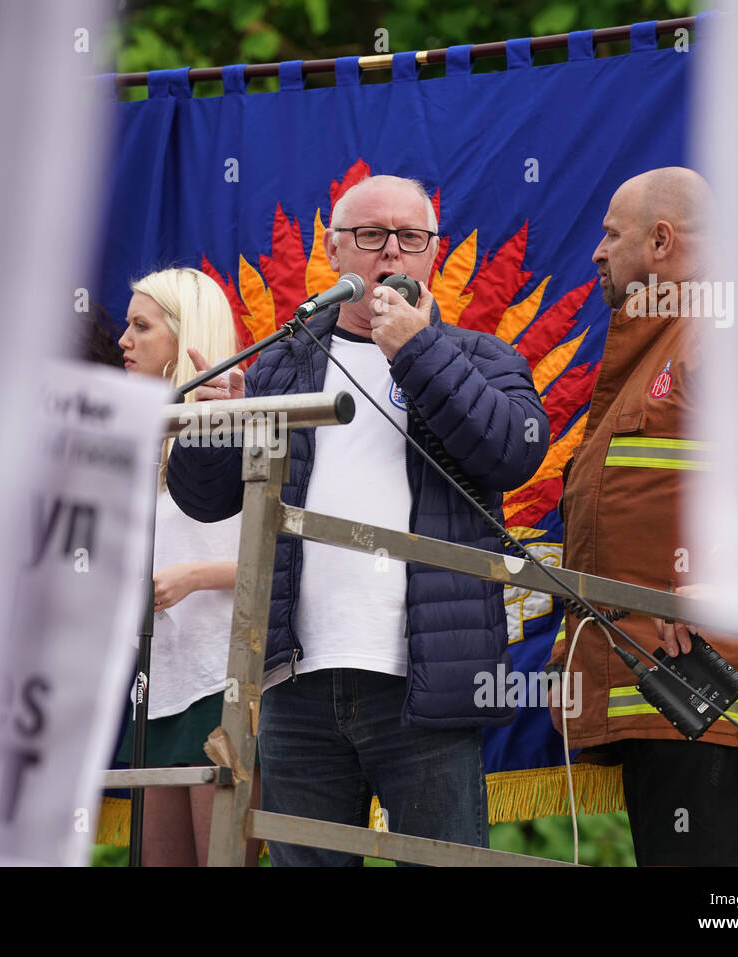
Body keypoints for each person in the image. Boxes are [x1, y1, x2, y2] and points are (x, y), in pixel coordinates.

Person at [167, 174, 549, 866]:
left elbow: (509, 452)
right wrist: (212, 426)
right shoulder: (280, 365)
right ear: (335, 249)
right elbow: (208, 499)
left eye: (410, 238)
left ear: (434, 252)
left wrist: (417, 350)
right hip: (296, 680)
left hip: (424, 686)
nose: (391, 254)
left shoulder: (480, 358)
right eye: (371, 237)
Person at [549, 167, 738, 865]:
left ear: (660, 240)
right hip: (670, 702)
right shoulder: (661, 344)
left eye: (610, 234)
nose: (596, 252)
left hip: (716, 701)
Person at [114, 266, 261, 867]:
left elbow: (282, 555)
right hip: (157, 684)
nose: (124, 341)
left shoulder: (237, 428)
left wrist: (195, 576)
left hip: (220, 683)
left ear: (185, 337)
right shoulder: (134, 434)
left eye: (140, 326)